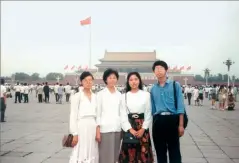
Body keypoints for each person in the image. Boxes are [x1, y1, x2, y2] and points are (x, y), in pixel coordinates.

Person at [150, 60, 185, 163]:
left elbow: (180, 106)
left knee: (174, 151)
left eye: (161, 68)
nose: (159, 71)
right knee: (160, 152)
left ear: (166, 70)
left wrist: (181, 125)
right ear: (154, 72)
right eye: (156, 69)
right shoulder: (152, 89)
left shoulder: (175, 85)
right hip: (158, 120)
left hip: (172, 120)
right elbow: (153, 109)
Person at [119, 72, 153, 163]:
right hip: (129, 128)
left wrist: (143, 129)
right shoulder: (123, 96)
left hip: (142, 127)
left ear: (139, 80)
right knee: (130, 156)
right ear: (128, 82)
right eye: (131, 80)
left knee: (143, 155)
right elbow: (122, 114)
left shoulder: (146, 95)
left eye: (136, 79)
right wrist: (130, 129)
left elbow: (148, 113)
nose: (133, 82)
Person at [69, 71, 98, 163]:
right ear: (81, 82)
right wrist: (74, 133)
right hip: (81, 126)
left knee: (92, 149)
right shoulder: (77, 96)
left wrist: (98, 130)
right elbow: (73, 115)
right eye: (86, 80)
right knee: (81, 149)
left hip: (93, 126)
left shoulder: (96, 97)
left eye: (90, 80)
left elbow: (98, 115)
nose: (88, 82)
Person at [96, 69, 122, 163]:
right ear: (105, 79)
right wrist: (98, 130)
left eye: (114, 77)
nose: (112, 80)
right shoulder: (100, 94)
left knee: (115, 156)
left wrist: (122, 128)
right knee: (104, 156)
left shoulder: (120, 95)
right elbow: (98, 113)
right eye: (110, 77)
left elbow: (121, 113)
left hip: (117, 128)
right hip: (104, 129)